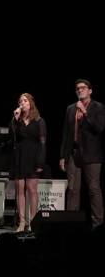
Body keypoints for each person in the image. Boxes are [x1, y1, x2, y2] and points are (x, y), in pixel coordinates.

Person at [59, 79, 105, 229]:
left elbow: (99, 128)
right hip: (74, 153)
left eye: (83, 88)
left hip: (92, 155)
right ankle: (71, 224)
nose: (80, 90)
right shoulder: (70, 109)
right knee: (72, 189)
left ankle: (98, 224)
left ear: (90, 91)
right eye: (77, 88)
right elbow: (66, 134)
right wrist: (63, 156)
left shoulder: (98, 107)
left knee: (93, 189)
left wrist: (85, 112)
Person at [10, 93, 46, 232]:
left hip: (33, 157)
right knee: (20, 190)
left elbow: (43, 143)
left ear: (30, 102)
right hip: (19, 157)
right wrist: (15, 118)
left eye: (25, 100)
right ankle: (22, 222)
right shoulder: (16, 120)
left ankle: (33, 222)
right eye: (20, 101)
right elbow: (11, 136)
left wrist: (40, 162)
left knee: (32, 190)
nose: (22, 103)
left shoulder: (38, 120)